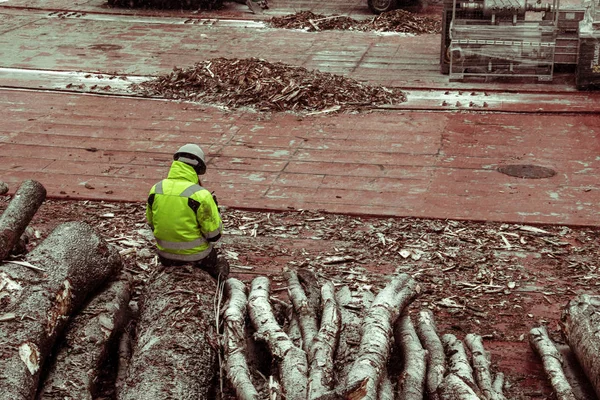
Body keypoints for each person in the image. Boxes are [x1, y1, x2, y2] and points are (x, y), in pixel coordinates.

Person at [146, 144, 229, 280]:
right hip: (198, 257)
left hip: (165, 257)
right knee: (218, 262)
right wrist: (216, 212)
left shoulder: (156, 189)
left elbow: (152, 223)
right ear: (198, 168)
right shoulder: (201, 195)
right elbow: (214, 235)